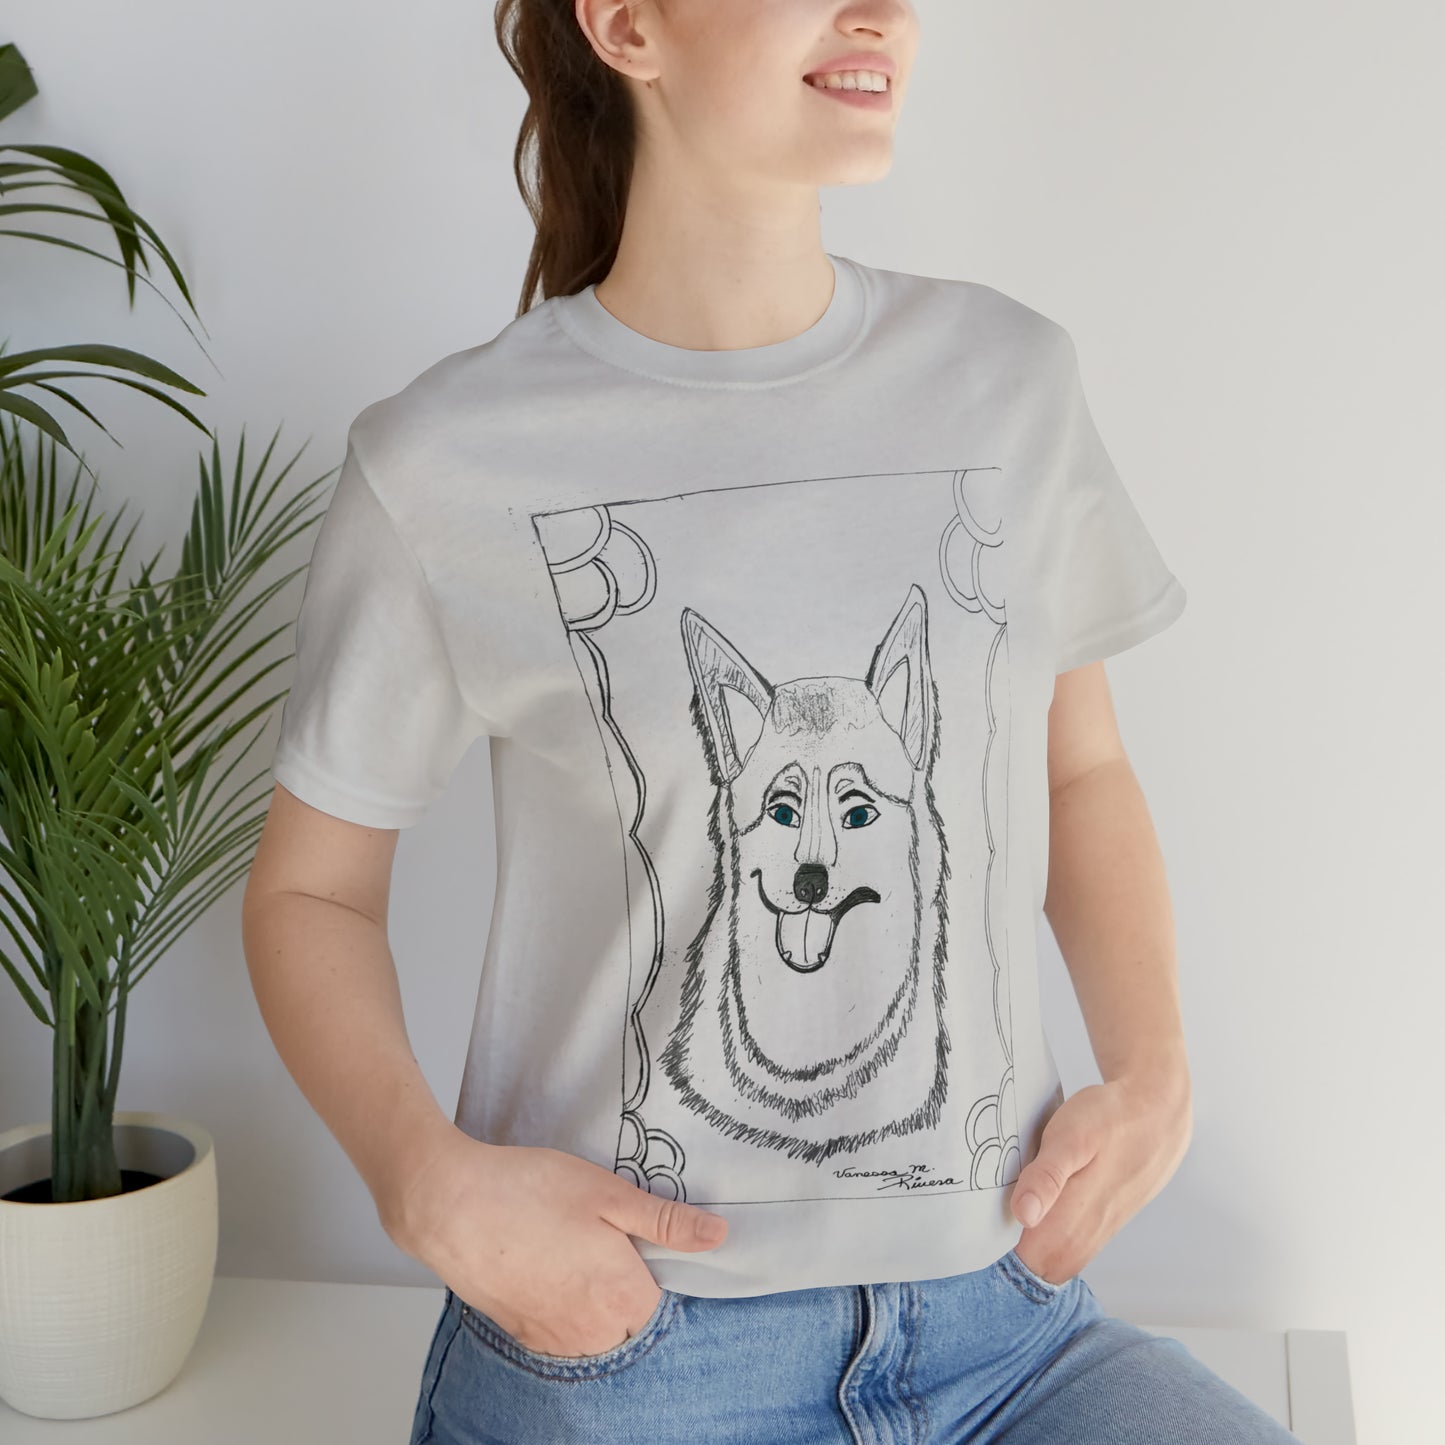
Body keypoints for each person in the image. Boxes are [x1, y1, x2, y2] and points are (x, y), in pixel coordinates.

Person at [242, 1, 1300, 1441]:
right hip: (632, 1353)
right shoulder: (445, 460)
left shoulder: (1008, 382)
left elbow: (1078, 768)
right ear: (626, 25)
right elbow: (309, 891)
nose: (881, 14)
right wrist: (420, 1176)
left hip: (1006, 1332)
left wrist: (1157, 1072)